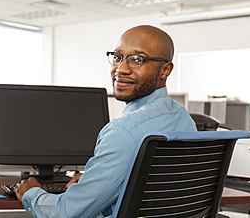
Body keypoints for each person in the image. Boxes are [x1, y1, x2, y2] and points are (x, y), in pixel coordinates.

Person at [15, 25, 197, 218]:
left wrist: (31, 193)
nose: (121, 69)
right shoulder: (182, 117)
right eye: (118, 57)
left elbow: (67, 214)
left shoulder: (123, 132)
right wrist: (93, 182)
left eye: (137, 59)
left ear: (165, 70)